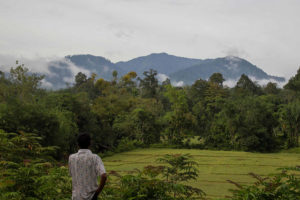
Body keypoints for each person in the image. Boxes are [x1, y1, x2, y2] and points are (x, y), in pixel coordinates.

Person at [69, 133, 107, 200]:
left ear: (78, 144)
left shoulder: (72, 158)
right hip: (91, 197)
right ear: (90, 143)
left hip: (76, 197)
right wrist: (97, 192)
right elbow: (104, 176)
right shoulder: (95, 158)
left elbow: (72, 175)